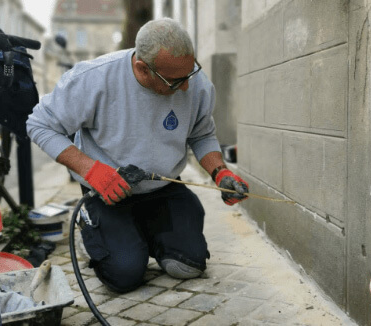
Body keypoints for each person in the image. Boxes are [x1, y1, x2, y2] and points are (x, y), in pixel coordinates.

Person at [27, 18, 249, 293]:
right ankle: (94, 228)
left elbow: (201, 135)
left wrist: (220, 172)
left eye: (190, 73)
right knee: (123, 276)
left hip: (163, 187)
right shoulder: (92, 79)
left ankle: (142, 233)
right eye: (175, 81)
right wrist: (91, 170)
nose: (185, 89)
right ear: (142, 69)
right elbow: (39, 124)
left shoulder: (195, 84)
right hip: (107, 191)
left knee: (187, 266)